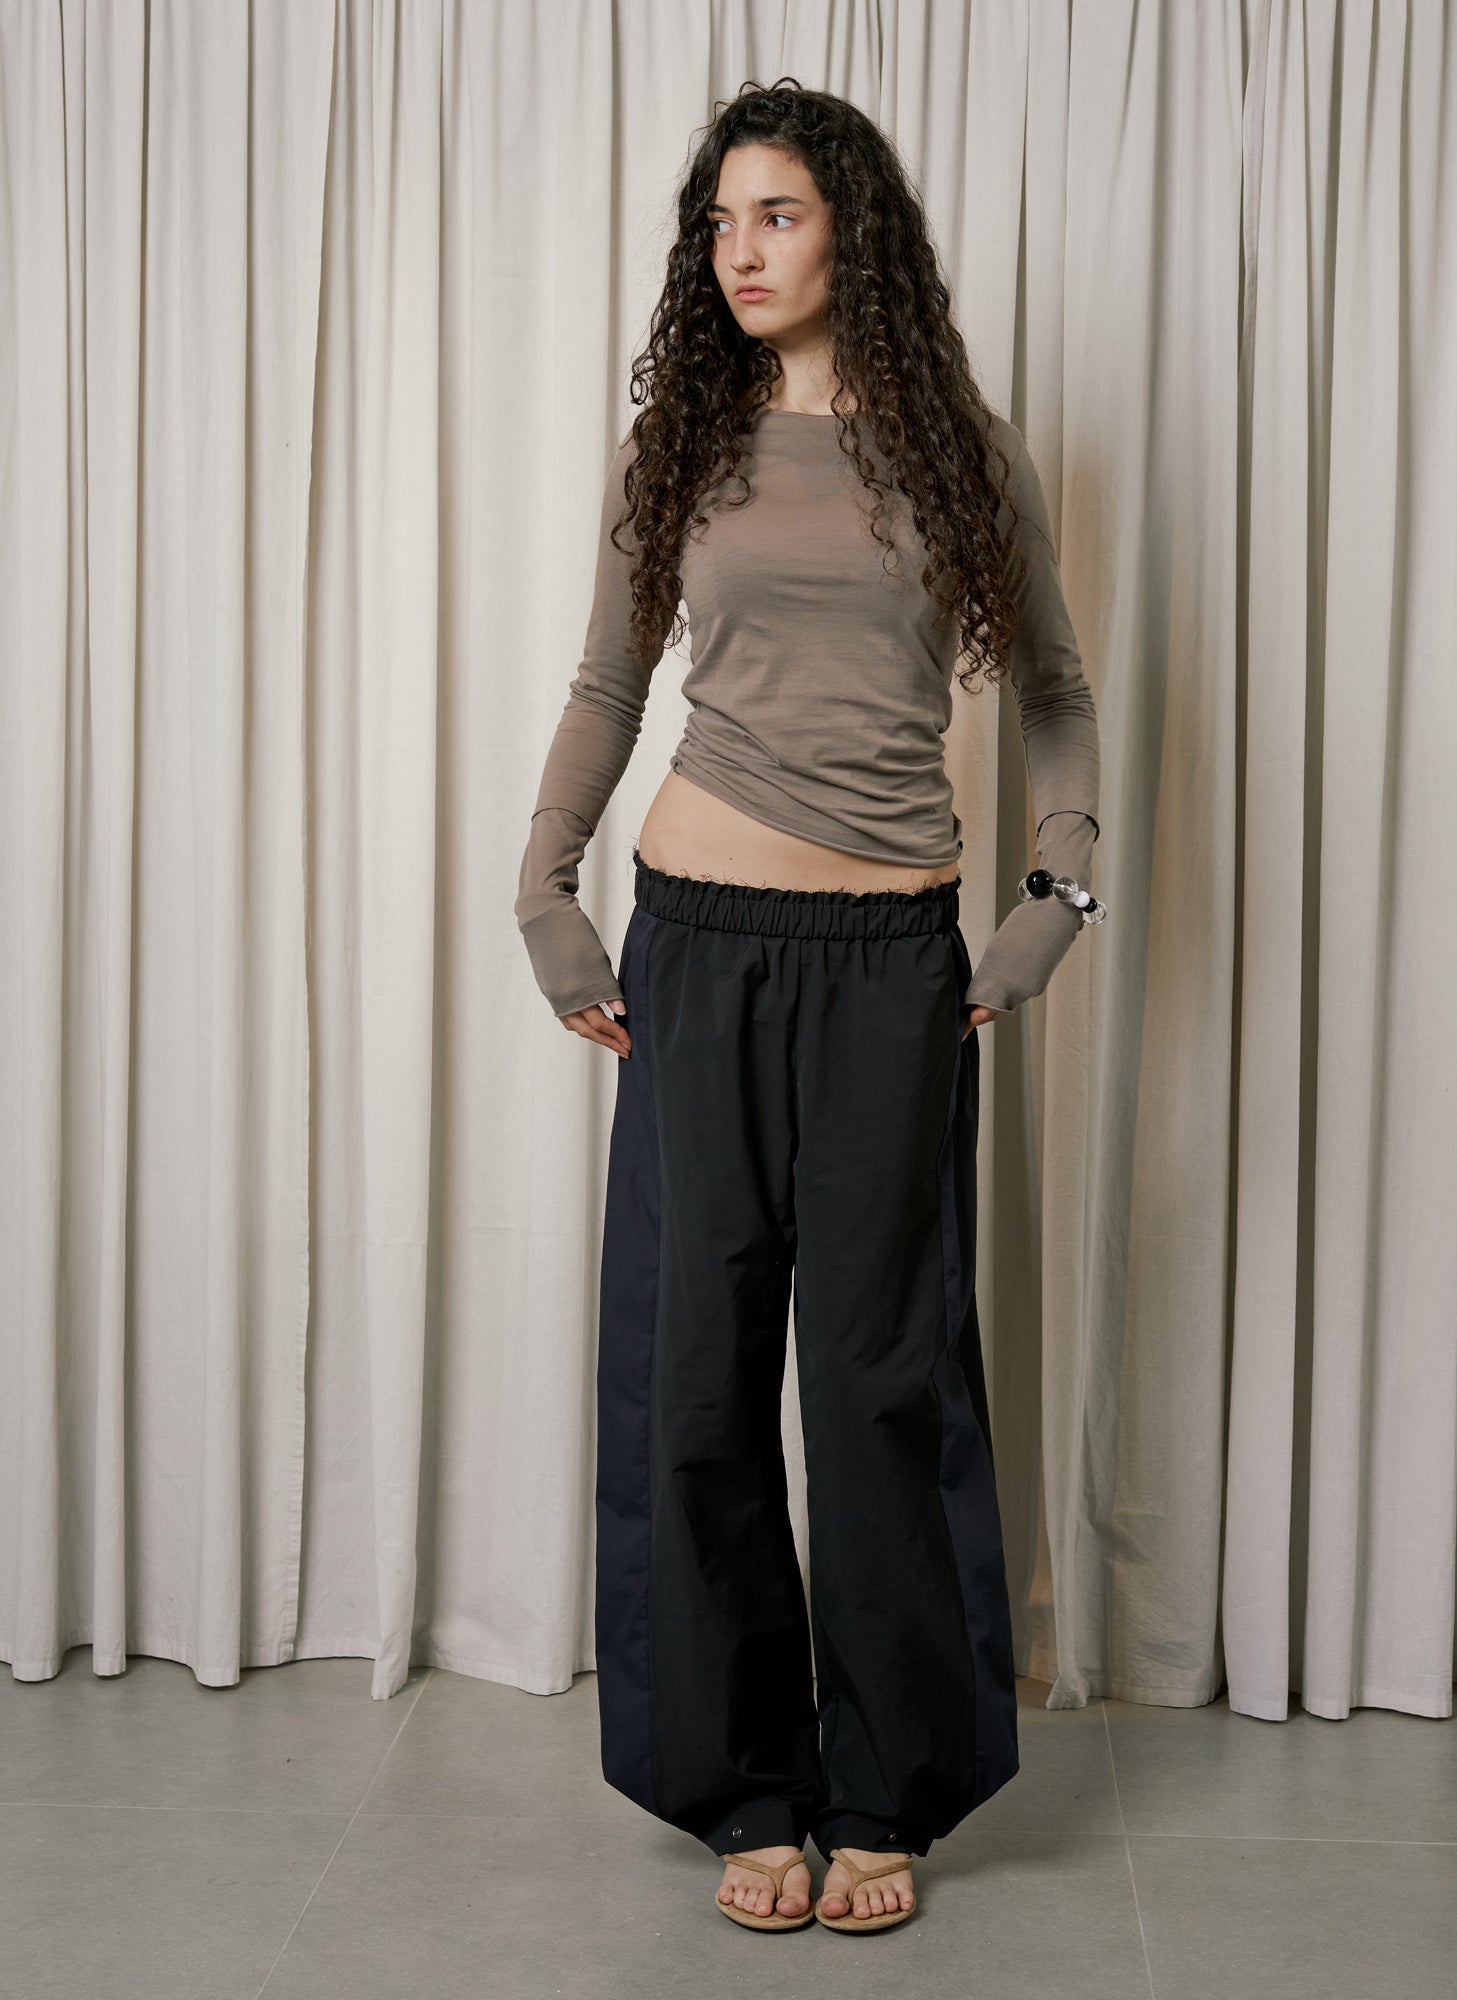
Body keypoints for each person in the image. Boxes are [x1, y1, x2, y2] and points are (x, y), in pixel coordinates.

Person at [515, 79, 1101, 1935]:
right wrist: (543, 888)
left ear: (856, 226)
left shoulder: (960, 452)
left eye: (775, 214)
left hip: (889, 967)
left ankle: (882, 1794)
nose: (738, 252)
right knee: (695, 1376)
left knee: (875, 1385)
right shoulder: (681, 446)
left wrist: (1059, 899)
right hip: (695, 946)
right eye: (719, 222)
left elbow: (1058, 694)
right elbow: (609, 682)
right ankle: (740, 1785)